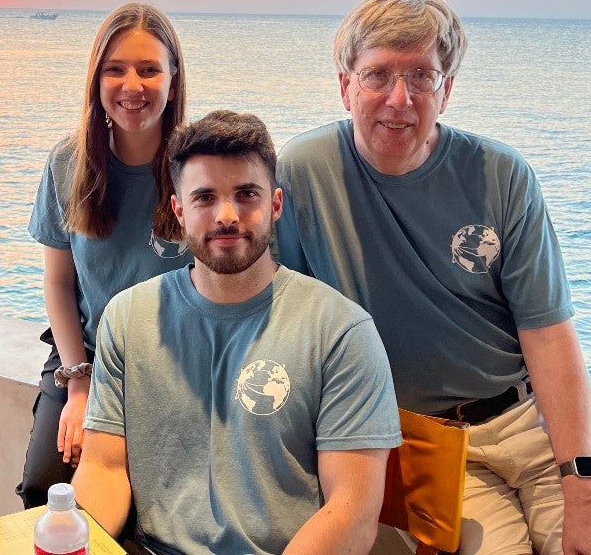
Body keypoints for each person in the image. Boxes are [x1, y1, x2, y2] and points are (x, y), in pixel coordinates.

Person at [275, 0, 591, 555]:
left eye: (422, 76)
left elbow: (548, 334)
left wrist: (584, 488)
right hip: (429, 441)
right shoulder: (303, 174)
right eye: (377, 75)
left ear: (446, 90)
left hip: (531, 420)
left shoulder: (502, 176)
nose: (399, 100)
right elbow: (278, 315)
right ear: (345, 86)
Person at [73, 110, 401, 554]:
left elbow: (351, 515)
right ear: (179, 211)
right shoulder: (128, 318)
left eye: (246, 194)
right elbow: (105, 469)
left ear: (276, 205)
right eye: (204, 198)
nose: (226, 215)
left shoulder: (341, 332)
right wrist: (75, 539)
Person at [17, 2, 193, 508]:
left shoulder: (199, 164)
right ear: (96, 79)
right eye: (115, 69)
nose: (131, 86)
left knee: (152, 504)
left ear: (173, 81)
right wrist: (78, 384)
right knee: (44, 489)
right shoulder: (69, 161)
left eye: (149, 69)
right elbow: (59, 284)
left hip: (180, 363)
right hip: (87, 357)